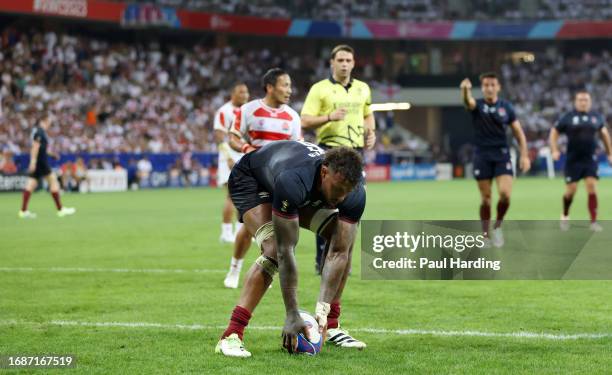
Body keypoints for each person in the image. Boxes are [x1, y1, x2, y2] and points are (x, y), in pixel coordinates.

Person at [215, 141, 366, 358]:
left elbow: (339, 252)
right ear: (324, 172)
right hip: (251, 180)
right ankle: (231, 334)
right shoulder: (294, 180)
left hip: (294, 184)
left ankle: (330, 325)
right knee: (275, 250)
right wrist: (292, 313)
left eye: (346, 192)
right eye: (337, 189)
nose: (340, 199)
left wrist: (321, 311)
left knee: (343, 239)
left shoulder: (355, 192)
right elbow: (286, 251)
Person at [222, 69, 301, 289]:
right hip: (253, 178)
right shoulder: (249, 110)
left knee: (280, 229)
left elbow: (297, 148)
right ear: (270, 87)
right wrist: (248, 148)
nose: (289, 90)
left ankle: (265, 270)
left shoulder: (293, 117)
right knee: (251, 229)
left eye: (290, 85)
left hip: (280, 181)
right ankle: (235, 269)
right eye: (285, 85)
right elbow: (233, 138)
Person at [300, 44, 375, 274]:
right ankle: (322, 259)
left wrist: (371, 133)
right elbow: (304, 120)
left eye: (348, 60)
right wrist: (329, 116)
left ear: (353, 63)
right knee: (328, 207)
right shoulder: (319, 89)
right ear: (332, 63)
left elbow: (368, 115)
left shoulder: (363, 88)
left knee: (353, 205)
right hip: (329, 151)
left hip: (355, 154)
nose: (344, 64)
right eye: (340, 60)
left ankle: (344, 258)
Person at [460, 72, 530, 247]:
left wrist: (524, 155)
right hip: (482, 155)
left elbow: (519, 133)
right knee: (486, 199)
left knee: (505, 195)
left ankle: (498, 226)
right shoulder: (478, 105)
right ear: (482, 88)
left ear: (498, 87)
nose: (489, 88)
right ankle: (485, 236)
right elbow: (467, 102)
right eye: (486, 85)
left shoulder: (506, 107)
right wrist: (465, 91)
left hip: (502, 155)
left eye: (493, 85)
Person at [549, 90, 612, 231]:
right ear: (575, 102)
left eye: (586, 100)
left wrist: (609, 153)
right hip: (573, 160)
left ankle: (593, 222)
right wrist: (554, 150)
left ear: (590, 102)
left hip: (590, 159)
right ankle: (565, 214)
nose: (583, 102)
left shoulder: (596, 117)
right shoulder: (568, 117)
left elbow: (604, 134)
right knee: (571, 191)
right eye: (580, 100)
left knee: (591, 187)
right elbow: (554, 132)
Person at [18, 113, 75, 219]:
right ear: (44, 120)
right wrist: (33, 162)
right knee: (53, 181)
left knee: (30, 185)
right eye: (49, 120)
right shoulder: (39, 132)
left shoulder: (41, 132)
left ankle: (23, 211)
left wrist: (52, 154)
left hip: (40, 161)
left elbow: (42, 148)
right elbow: (35, 147)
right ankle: (60, 209)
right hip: (41, 162)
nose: (50, 123)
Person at [214, 83, 250, 244]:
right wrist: (228, 156)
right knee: (232, 194)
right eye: (241, 92)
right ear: (232, 94)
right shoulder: (224, 111)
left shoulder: (248, 110)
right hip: (230, 155)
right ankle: (226, 232)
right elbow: (219, 135)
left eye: (246, 92)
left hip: (244, 154)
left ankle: (240, 229)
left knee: (247, 194)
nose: (245, 95)